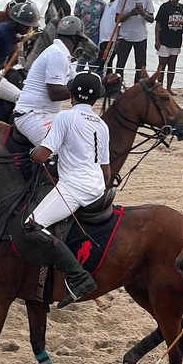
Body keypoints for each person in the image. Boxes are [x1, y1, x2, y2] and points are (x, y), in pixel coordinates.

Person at [27, 71, 109, 308]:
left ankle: (78, 276)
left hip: (75, 189)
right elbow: (106, 170)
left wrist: (32, 154)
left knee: (32, 226)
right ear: (95, 100)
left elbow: (42, 155)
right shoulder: (102, 125)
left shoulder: (65, 117)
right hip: (97, 188)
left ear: (71, 95)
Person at [14, 16, 106, 146]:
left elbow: (79, 81)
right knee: (59, 151)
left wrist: (103, 81)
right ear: (75, 39)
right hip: (33, 114)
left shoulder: (62, 54)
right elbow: (55, 93)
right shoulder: (57, 54)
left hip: (48, 114)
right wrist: (84, 91)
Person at [0, 2, 39, 103]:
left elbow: (15, 38)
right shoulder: (0, 33)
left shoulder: (11, 31)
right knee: (20, 98)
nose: (29, 29)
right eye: (26, 26)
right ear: (17, 23)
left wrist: (27, 37)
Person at [113, 0, 154, 84]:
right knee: (120, 65)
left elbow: (151, 19)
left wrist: (142, 13)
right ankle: (117, 88)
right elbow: (117, 19)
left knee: (140, 67)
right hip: (125, 37)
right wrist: (130, 13)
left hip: (141, 37)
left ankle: (138, 88)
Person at [154, 0, 183, 95]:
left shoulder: (181, 7)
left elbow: (182, 24)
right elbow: (158, 23)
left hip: (176, 41)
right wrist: (157, 40)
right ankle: (160, 86)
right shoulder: (164, 7)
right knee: (162, 65)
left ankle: (169, 88)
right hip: (164, 40)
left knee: (172, 66)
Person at [74, 0, 105, 71]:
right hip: (82, 36)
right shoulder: (80, 2)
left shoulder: (101, 4)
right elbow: (76, 18)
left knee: (93, 61)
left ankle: (91, 81)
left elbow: (103, 20)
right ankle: (76, 80)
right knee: (81, 61)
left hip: (95, 35)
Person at [97, 0, 120, 73]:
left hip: (112, 40)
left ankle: (107, 85)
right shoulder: (107, 4)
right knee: (104, 64)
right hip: (103, 40)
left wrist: (118, 39)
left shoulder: (119, 4)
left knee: (105, 63)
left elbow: (120, 23)